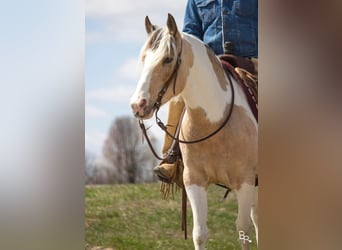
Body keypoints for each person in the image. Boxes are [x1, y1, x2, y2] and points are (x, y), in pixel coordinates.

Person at [154, 0, 258, 187]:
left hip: (251, 62)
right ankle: (171, 157)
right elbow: (189, 33)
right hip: (210, 64)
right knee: (179, 96)